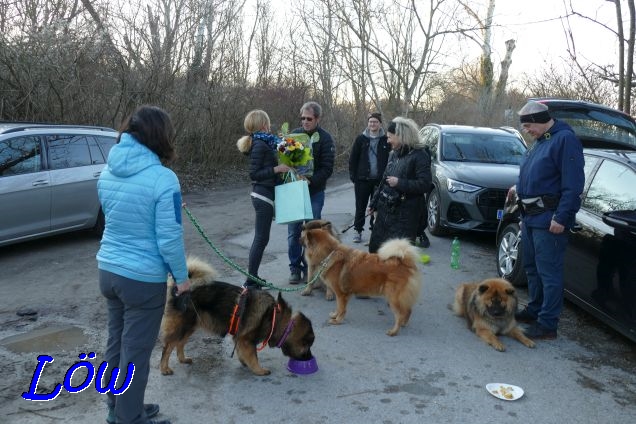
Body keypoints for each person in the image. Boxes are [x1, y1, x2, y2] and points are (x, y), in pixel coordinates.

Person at [97, 105, 191, 424]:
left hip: (108, 270)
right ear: (160, 136)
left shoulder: (108, 170)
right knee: (135, 351)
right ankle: (129, 416)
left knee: (116, 343)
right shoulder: (163, 179)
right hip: (142, 280)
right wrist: (182, 278)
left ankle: (119, 407)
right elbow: (168, 239)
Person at [514, 100, 585, 340]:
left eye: (528, 127)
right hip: (531, 217)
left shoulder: (565, 140)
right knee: (532, 268)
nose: (527, 131)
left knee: (549, 273)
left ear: (538, 121)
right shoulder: (539, 142)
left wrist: (562, 217)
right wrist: (517, 189)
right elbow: (538, 177)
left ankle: (547, 324)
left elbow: (573, 185)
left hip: (549, 220)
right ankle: (534, 310)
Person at [237, 110, 292, 289]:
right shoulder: (260, 144)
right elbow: (254, 174)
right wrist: (277, 169)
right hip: (262, 195)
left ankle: (253, 278)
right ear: (263, 125)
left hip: (265, 194)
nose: (270, 125)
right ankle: (250, 281)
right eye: (267, 122)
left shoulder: (263, 142)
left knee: (262, 239)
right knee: (260, 239)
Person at [367, 117, 432, 254]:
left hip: (406, 217)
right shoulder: (393, 154)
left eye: (390, 137)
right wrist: (374, 203)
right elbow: (383, 180)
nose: (388, 140)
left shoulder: (420, 156)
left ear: (401, 136)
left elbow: (425, 184)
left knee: (397, 260)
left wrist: (400, 183)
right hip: (385, 212)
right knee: (375, 252)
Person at [288, 101, 336, 284]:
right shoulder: (293, 135)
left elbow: (327, 168)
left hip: (314, 192)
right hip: (294, 192)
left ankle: (312, 267)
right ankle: (294, 268)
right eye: (302, 118)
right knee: (293, 232)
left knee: (313, 233)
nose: (305, 122)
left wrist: (311, 180)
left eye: (309, 119)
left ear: (317, 118)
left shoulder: (325, 138)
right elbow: (286, 161)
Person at [348, 112, 390, 244]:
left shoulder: (385, 139)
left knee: (376, 208)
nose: (372, 124)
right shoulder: (360, 139)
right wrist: (353, 177)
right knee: (360, 206)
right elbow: (353, 159)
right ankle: (358, 231)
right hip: (362, 180)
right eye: (371, 122)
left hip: (379, 181)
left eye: (375, 122)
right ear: (368, 123)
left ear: (380, 124)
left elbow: (391, 159)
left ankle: (374, 232)